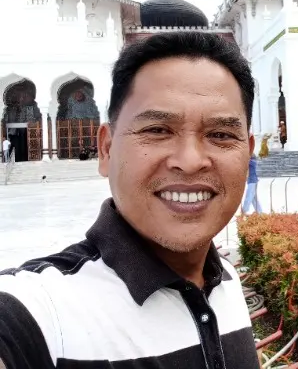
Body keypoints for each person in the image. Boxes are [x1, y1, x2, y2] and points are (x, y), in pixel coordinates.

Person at [0, 32, 259, 368]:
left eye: (220, 135)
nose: (190, 161)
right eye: (157, 130)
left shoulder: (226, 281)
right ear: (106, 149)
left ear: (248, 153)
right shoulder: (42, 310)